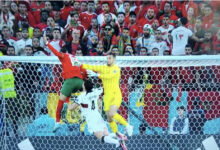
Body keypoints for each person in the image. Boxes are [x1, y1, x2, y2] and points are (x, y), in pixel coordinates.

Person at [78, 52, 134, 136]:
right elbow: (92, 67)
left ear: (114, 59)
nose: (108, 60)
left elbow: (109, 76)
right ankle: (117, 133)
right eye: (107, 58)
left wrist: (97, 75)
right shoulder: (103, 68)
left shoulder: (116, 69)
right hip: (107, 95)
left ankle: (128, 126)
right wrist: (80, 64)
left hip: (116, 94)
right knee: (109, 117)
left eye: (110, 58)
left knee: (112, 113)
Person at [43, 34, 87, 132]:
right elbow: (83, 70)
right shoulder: (75, 58)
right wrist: (83, 81)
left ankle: (57, 122)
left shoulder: (64, 55)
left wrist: (47, 43)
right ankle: (83, 110)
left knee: (60, 100)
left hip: (70, 81)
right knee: (84, 94)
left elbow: (56, 53)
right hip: (80, 81)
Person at [67, 79, 127, 149]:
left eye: (83, 84)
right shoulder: (96, 91)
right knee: (106, 134)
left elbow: (71, 108)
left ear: (84, 87)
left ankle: (118, 142)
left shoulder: (81, 97)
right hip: (98, 115)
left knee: (101, 138)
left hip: (91, 118)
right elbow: (104, 88)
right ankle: (121, 136)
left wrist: (68, 103)